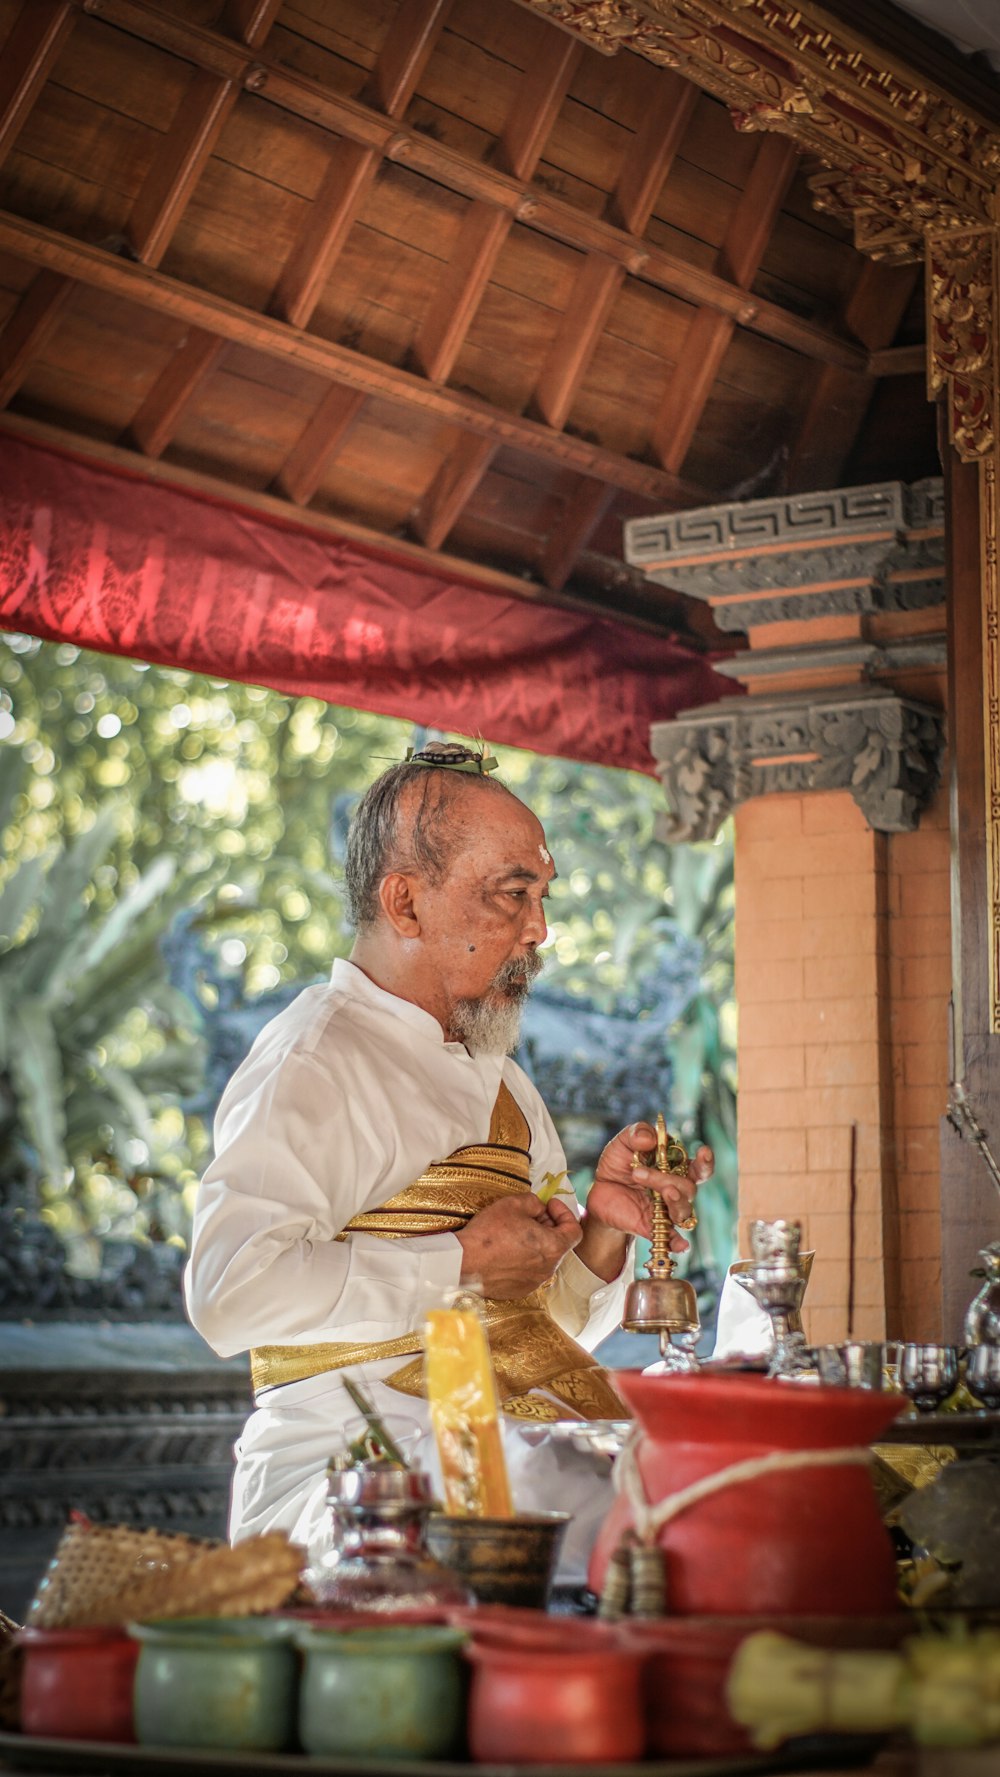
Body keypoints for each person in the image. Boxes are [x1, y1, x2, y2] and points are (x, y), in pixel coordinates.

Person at [184, 742, 712, 1573]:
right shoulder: (315, 1057)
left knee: (703, 1488)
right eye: (513, 894)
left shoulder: (504, 1082)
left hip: (512, 1435)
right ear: (405, 902)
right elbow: (228, 1293)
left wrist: (603, 1233)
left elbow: (540, 1325)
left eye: (542, 895)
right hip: (351, 1479)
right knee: (599, 1506)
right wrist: (461, 1260)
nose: (539, 930)